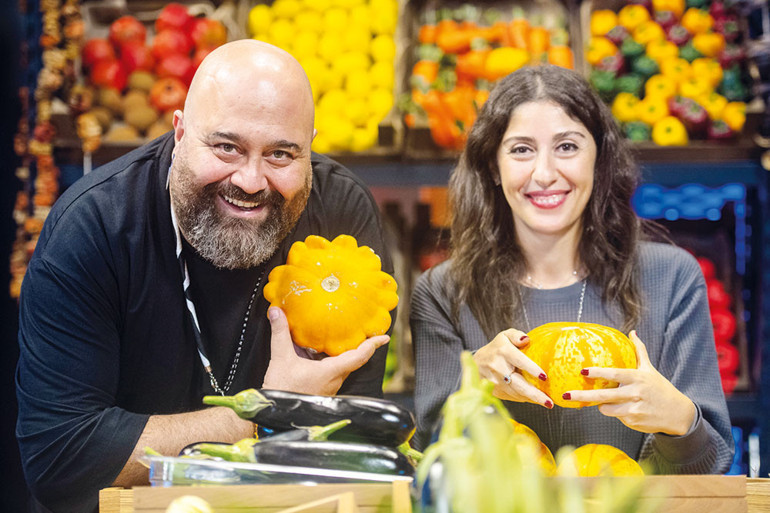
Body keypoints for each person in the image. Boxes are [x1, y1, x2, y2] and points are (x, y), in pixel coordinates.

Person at [16, 39, 394, 512]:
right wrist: (269, 411)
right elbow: (61, 460)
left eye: (281, 155)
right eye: (226, 147)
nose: (251, 181)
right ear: (179, 134)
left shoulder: (340, 214)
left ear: (309, 151)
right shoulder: (94, 228)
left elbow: (354, 440)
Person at [410, 65, 734, 474]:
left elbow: (714, 469)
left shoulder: (672, 279)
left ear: (599, 159)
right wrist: (475, 385)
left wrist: (678, 422)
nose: (545, 174)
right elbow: (430, 463)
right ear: (493, 166)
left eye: (567, 147)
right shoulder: (442, 292)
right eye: (521, 149)